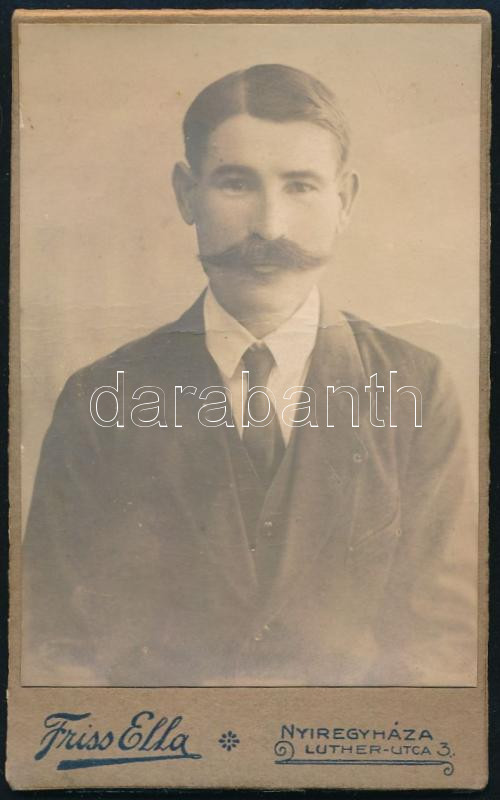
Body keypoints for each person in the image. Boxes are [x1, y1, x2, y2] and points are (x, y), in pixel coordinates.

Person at [22, 64, 476, 687]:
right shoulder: (100, 398)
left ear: (344, 201)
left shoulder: (417, 389)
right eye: (236, 183)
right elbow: (49, 643)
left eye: (301, 186)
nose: (269, 227)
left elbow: (444, 646)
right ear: (187, 194)